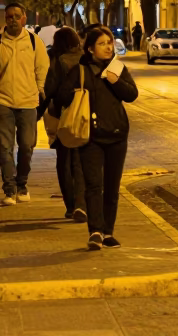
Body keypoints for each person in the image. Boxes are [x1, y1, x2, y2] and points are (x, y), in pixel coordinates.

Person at [55, 24, 138, 250]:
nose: (108, 47)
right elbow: (61, 96)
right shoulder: (80, 71)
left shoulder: (118, 69)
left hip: (118, 135)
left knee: (112, 187)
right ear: (90, 49)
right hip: (90, 136)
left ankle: (108, 232)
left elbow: (132, 94)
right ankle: (95, 231)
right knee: (94, 186)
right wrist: (77, 94)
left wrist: (115, 80)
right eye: (102, 44)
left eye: (109, 43)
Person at [0, 2, 49, 205]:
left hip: (28, 101)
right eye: (8, 17)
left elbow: (42, 67)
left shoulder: (34, 41)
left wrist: (39, 90)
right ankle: (9, 188)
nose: (12, 20)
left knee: (26, 146)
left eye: (16, 16)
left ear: (23, 18)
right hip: (2, 101)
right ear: (5, 19)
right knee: (5, 147)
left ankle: (22, 183)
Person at [44, 26, 86, 221]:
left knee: (64, 161)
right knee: (81, 161)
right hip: (85, 117)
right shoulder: (87, 59)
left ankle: (71, 205)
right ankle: (81, 203)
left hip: (65, 117)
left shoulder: (59, 61)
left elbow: (51, 89)